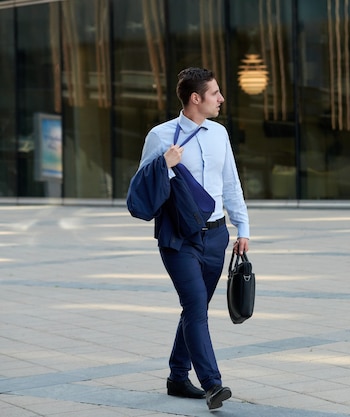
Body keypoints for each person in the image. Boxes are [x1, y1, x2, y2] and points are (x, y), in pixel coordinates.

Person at [130, 67, 250, 411]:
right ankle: (213, 384)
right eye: (215, 93)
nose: (221, 99)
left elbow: (231, 184)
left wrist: (243, 229)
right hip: (177, 238)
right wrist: (165, 165)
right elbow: (141, 190)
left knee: (195, 309)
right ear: (195, 98)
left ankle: (177, 376)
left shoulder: (219, 134)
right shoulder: (160, 136)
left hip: (216, 237)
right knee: (196, 306)